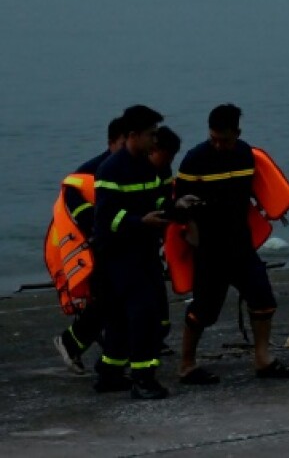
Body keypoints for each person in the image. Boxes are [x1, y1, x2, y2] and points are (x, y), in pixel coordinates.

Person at [174, 104, 289, 384]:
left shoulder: (245, 154)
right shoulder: (195, 159)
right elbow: (178, 204)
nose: (219, 145)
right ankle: (186, 365)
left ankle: (263, 360)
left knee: (263, 300)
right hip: (209, 248)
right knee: (203, 311)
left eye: (225, 139)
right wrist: (186, 217)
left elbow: (257, 190)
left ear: (237, 133)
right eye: (214, 139)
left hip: (240, 244)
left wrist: (282, 204)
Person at [91, 105, 179, 400]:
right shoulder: (111, 170)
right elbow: (106, 219)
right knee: (145, 314)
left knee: (118, 317)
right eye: (151, 135)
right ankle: (143, 378)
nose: (156, 141)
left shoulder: (149, 168)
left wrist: (177, 208)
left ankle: (109, 373)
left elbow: (158, 203)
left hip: (144, 251)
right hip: (118, 255)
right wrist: (139, 222)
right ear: (132, 135)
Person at [52, 116, 125, 374]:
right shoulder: (89, 172)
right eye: (123, 142)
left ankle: (106, 343)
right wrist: (95, 228)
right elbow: (73, 200)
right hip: (96, 246)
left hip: (121, 244)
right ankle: (71, 343)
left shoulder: (134, 166)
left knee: (115, 299)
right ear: (111, 142)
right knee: (107, 299)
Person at [149, 126, 183, 355]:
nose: (169, 161)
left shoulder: (163, 169)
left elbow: (163, 199)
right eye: (167, 155)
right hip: (132, 239)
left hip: (152, 238)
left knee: (157, 291)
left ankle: (157, 337)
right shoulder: (130, 168)